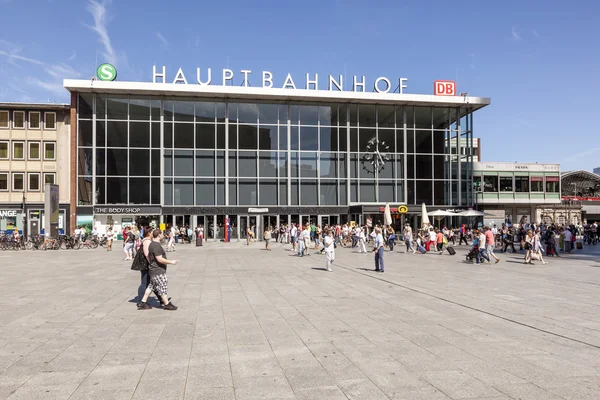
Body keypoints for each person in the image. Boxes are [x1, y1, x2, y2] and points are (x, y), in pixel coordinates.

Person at [138, 229, 178, 311]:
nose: (163, 235)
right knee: (162, 286)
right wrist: (171, 262)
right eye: (162, 234)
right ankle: (167, 304)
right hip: (158, 270)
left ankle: (143, 302)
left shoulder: (152, 244)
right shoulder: (156, 246)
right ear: (159, 235)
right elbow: (159, 259)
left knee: (151, 286)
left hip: (153, 270)